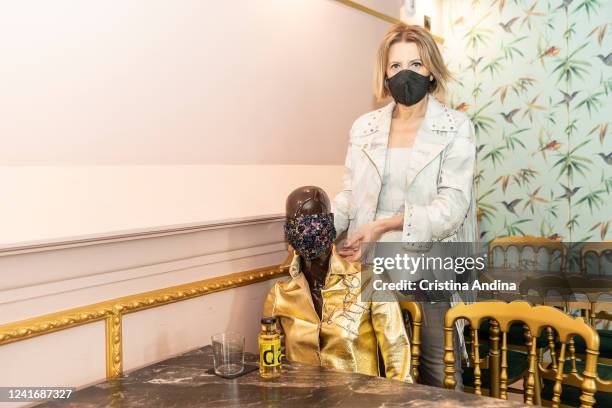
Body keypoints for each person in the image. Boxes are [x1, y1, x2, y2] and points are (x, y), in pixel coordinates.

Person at [331, 23, 478, 389]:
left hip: (427, 269)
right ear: (384, 73)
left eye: (415, 64)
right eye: (395, 67)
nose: (405, 74)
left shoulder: (456, 126)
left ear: (431, 69)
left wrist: (384, 226)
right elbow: (349, 196)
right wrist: (322, 229)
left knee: (437, 377)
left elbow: (452, 208)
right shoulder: (363, 127)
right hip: (369, 269)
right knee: (375, 373)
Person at [263, 185, 412, 382]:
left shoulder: (369, 282)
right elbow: (273, 368)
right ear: (289, 234)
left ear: (330, 224)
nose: (308, 232)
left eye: (315, 223)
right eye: (298, 225)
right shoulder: (280, 296)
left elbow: (397, 358)